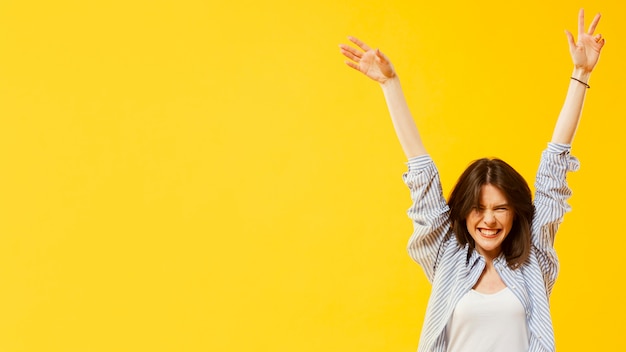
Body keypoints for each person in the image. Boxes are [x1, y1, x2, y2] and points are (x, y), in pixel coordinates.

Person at [339, 9, 605, 352]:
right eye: (478, 208)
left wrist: (580, 73)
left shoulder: (533, 258)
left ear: (515, 212)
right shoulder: (445, 255)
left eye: (500, 208)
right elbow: (421, 170)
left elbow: (555, 165)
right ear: (463, 212)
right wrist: (390, 84)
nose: (489, 219)